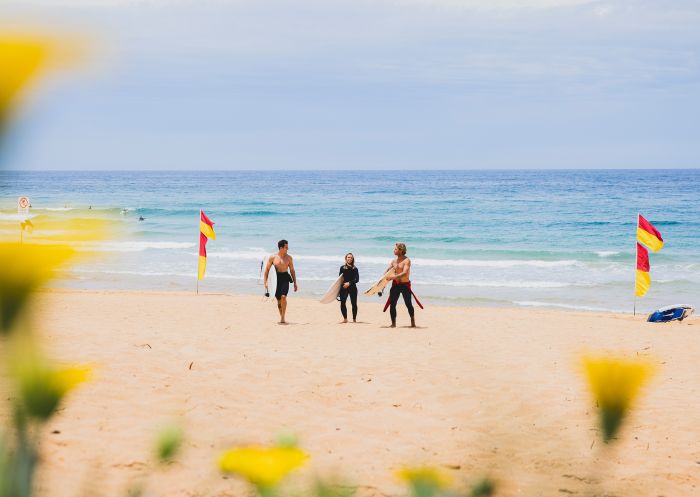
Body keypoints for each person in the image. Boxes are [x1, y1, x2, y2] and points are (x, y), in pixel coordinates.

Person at [384, 242, 423, 328]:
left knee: (408, 304)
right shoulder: (393, 261)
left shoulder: (407, 260)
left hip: (405, 285)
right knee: (392, 304)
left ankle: (413, 322)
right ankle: (393, 323)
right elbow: (387, 271)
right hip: (396, 285)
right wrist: (382, 281)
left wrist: (393, 277)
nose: (393, 250)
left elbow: (405, 273)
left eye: (395, 249)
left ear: (401, 250)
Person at [263, 239, 298, 324]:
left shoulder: (289, 258)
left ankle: (283, 317)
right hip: (275, 279)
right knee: (278, 300)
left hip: (285, 278)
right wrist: (266, 282)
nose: (287, 249)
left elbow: (292, 270)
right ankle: (281, 316)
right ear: (281, 248)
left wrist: (295, 283)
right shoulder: (273, 257)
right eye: (286, 247)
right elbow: (267, 270)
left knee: (283, 297)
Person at [338, 253, 359, 323]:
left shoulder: (355, 269)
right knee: (342, 303)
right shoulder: (342, 268)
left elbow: (357, 279)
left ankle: (354, 319)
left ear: (353, 259)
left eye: (351, 258)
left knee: (354, 304)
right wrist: (337, 290)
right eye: (348, 257)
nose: (349, 258)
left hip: (352, 288)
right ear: (346, 258)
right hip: (344, 287)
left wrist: (349, 283)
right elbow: (339, 279)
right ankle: (345, 319)